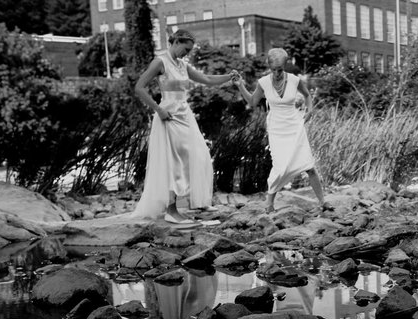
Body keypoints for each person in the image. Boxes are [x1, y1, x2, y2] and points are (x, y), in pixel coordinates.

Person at [133, 30, 236, 225]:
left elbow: (206, 79)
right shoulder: (160, 62)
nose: (186, 54)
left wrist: (229, 77)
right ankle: (171, 210)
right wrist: (158, 109)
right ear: (177, 42)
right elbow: (139, 87)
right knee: (173, 163)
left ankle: (195, 202)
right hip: (168, 116)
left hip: (185, 115)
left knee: (201, 155)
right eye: (185, 49)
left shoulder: (183, 65)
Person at [234, 48, 325, 213]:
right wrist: (240, 85)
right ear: (269, 67)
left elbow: (307, 95)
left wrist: (310, 109)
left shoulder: (294, 80)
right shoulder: (263, 83)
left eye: (280, 70)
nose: (277, 73)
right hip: (276, 128)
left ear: (285, 66)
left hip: (294, 125)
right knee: (279, 166)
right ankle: (269, 204)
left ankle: (323, 202)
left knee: (309, 166)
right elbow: (253, 102)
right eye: (274, 70)